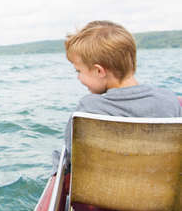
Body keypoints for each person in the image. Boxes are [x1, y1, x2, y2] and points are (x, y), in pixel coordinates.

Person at [52, 20, 181, 172]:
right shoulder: (169, 100)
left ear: (99, 71)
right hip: (161, 192)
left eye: (79, 71)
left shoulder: (88, 109)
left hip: (101, 194)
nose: (78, 78)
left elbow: (71, 161)